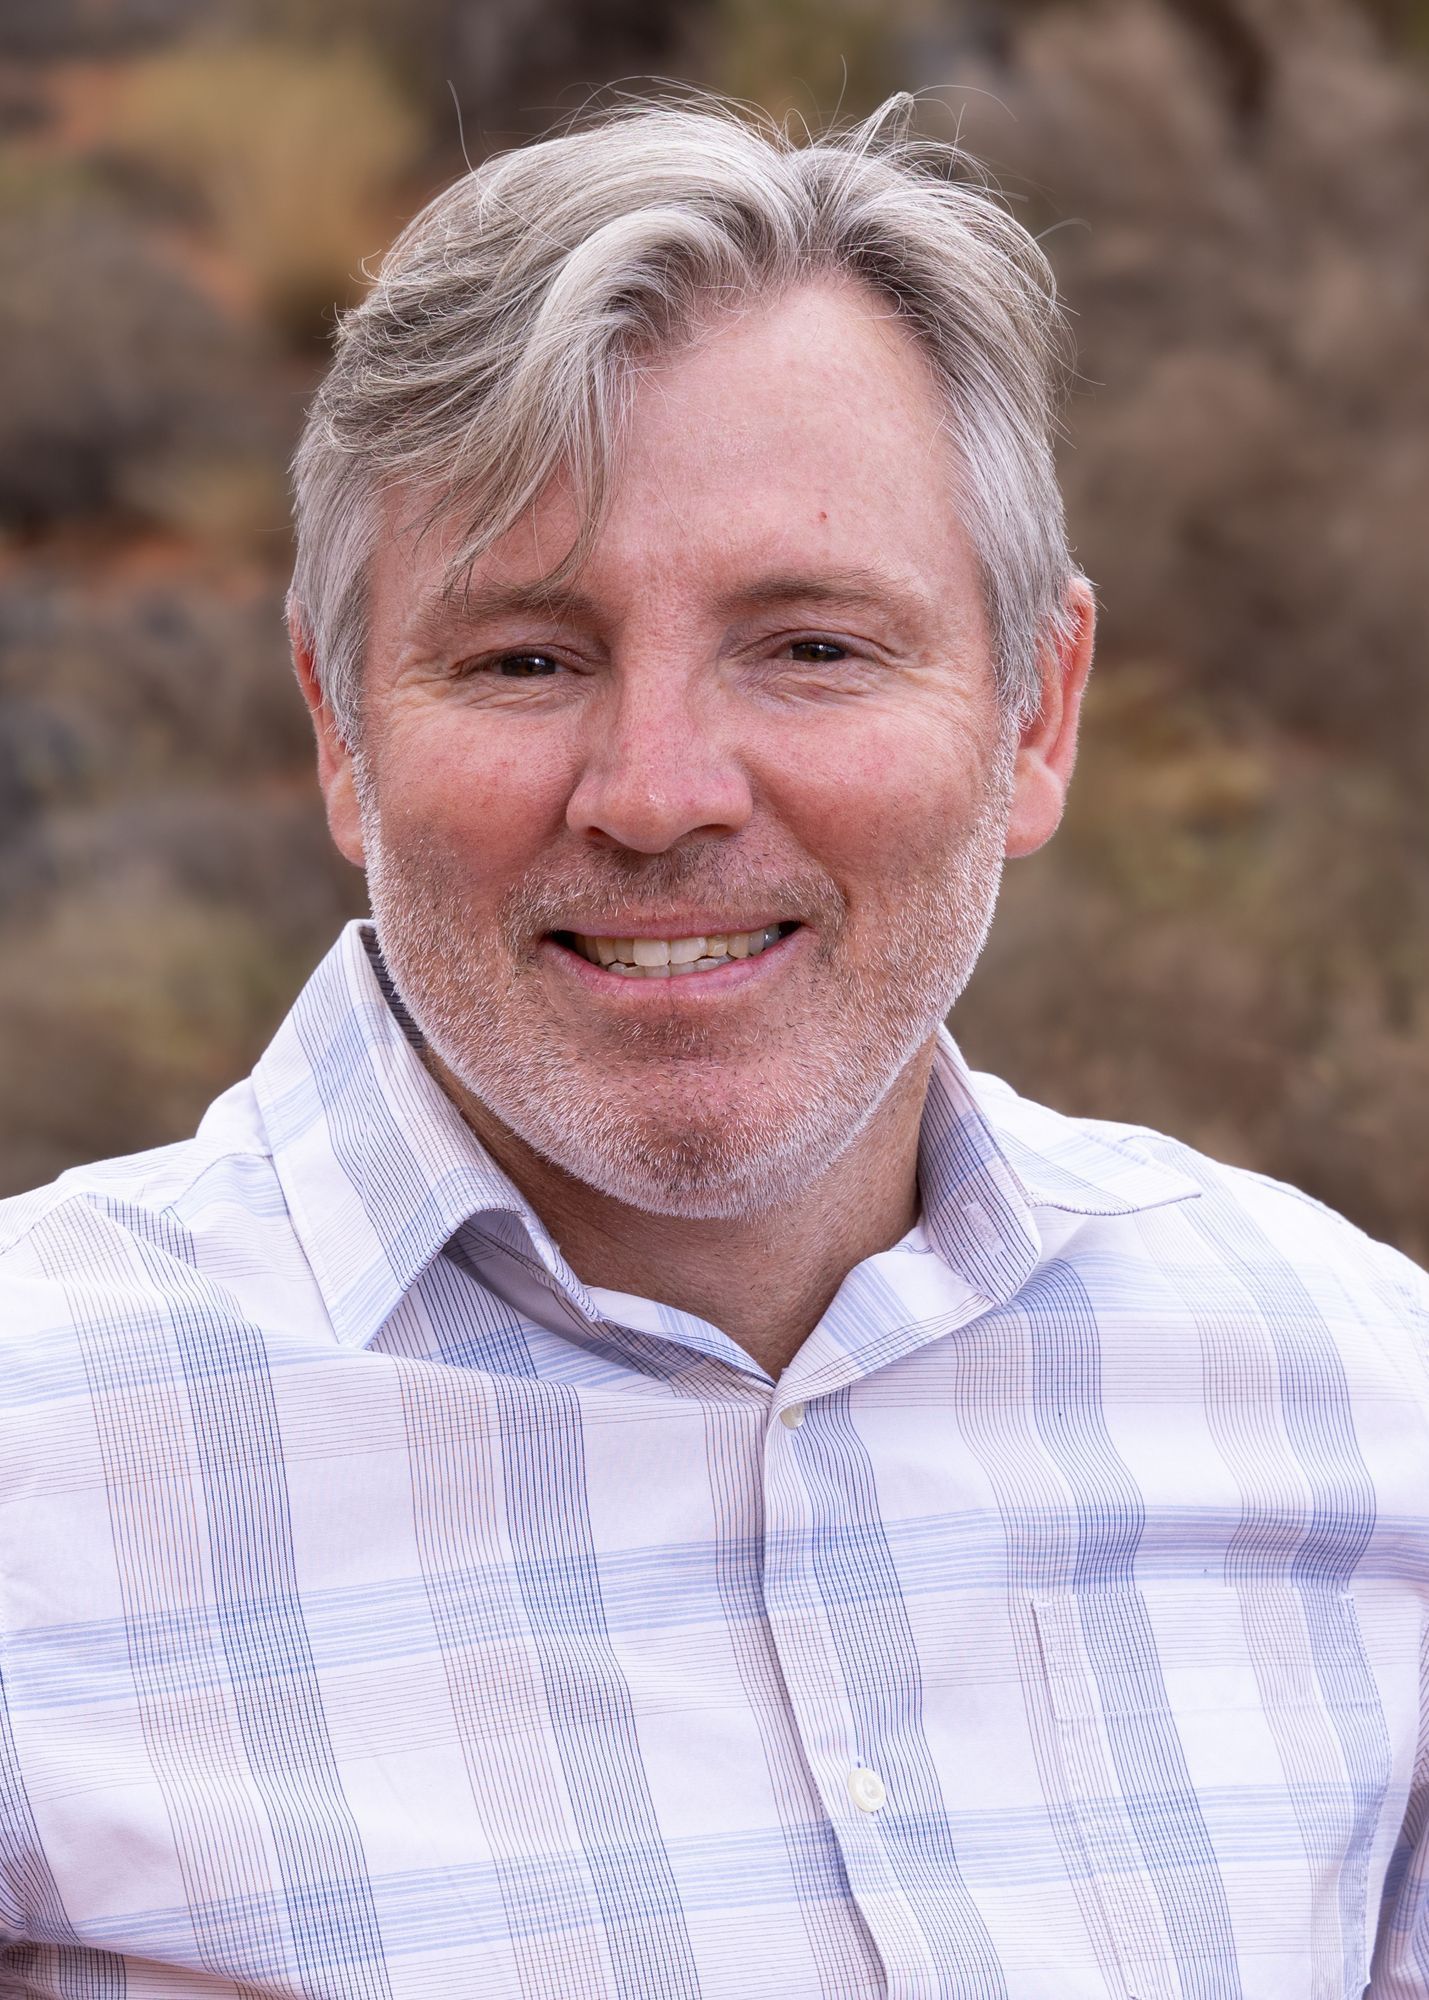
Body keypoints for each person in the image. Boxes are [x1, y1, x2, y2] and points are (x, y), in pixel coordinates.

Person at [0, 93, 1424, 2000]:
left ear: (1036, 712)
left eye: (814, 645)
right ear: (339, 732)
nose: (658, 794)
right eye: (524, 656)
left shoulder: (1359, 1405)